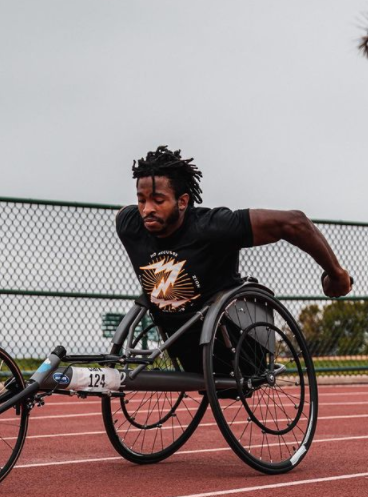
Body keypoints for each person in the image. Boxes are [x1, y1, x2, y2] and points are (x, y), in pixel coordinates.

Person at [116, 145, 352, 373]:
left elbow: (295, 223)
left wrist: (336, 274)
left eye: (158, 200)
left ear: (183, 201)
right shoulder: (129, 225)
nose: (147, 209)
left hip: (237, 348)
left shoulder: (213, 227)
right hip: (181, 349)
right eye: (141, 200)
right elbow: (122, 212)